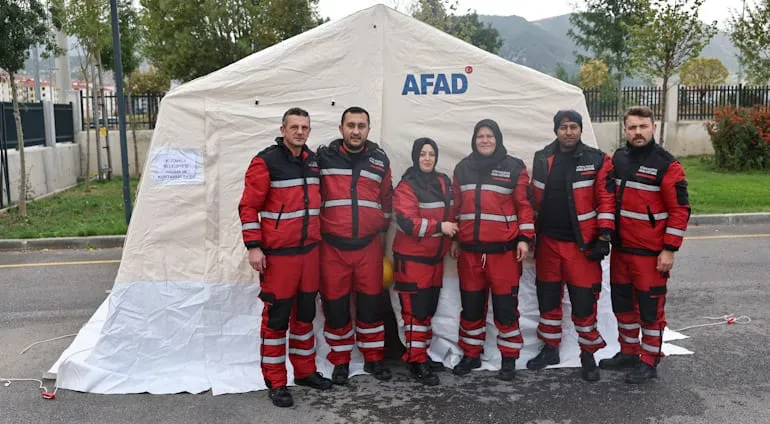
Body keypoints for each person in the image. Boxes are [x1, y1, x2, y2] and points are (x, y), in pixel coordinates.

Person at [238, 107, 333, 408]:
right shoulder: (265, 162)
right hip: (279, 257)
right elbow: (248, 207)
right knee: (277, 320)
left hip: (309, 255)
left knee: (305, 318)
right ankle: (276, 381)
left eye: (305, 127)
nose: (300, 132)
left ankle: (305, 372)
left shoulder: (313, 162)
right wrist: (254, 246)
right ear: (283, 129)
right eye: (294, 127)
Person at [600, 106, 690, 384]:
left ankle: (649, 359)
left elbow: (680, 210)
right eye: (632, 127)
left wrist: (669, 249)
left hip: (652, 255)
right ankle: (628, 352)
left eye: (643, 127)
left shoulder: (667, 165)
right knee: (623, 306)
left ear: (653, 127)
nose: (637, 132)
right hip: (622, 251)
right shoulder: (619, 159)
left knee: (650, 310)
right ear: (625, 130)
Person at [527, 110, 615, 381]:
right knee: (548, 299)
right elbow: (532, 198)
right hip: (548, 245)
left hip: (582, 247)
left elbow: (606, 199)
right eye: (563, 127)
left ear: (580, 130)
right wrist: (529, 234)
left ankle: (588, 355)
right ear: (556, 130)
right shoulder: (542, 157)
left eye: (573, 127)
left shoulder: (597, 159)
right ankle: (550, 348)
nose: (568, 132)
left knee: (584, 302)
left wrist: (604, 236)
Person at [450, 119, 535, 381]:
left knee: (505, 308)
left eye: (489, 136)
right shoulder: (462, 168)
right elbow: (456, 208)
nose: (485, 140)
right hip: (470, 253)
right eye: (480, 136)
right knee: (472, 307)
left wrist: (524, 238)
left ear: (497, 139)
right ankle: (471, 355)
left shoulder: (513, 167)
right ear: (474, 139)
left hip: (504, 254)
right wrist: (454, 238)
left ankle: (509, 357)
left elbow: (524, 205)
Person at [317, 106, 394, 385]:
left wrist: (380, 231)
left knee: (371, 307)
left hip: (368, 247)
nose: (356, 131)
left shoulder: (379, 160)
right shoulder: (323, 158)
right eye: (350, 125)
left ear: (368, 130)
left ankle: (373, 360)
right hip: (332, 248)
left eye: (361, 125)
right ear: (341, 129)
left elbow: (387, 201)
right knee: (335, 308)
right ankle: (340, 362)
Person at [392, 137, 458, 386]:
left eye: (431, 153)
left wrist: (452, 239)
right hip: (412, 261)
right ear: (415, 157)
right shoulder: (406, 186)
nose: (427, 158)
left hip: (434, 259)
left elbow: (451, 211)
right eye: (423, 154)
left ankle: (421, 356)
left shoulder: (443, 181)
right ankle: (416, 361)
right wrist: (441, 227)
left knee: (427, 312)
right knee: (414, 314)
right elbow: (408, 223)